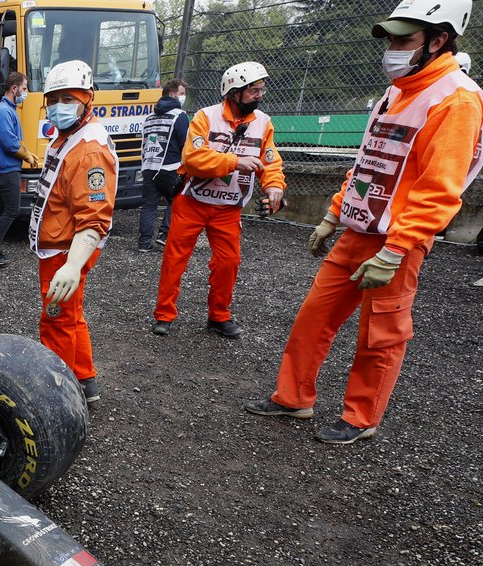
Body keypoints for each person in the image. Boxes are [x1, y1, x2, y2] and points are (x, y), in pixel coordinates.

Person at [246, 0, 482, 444]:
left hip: (398, 240)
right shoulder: (398, 91)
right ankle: (293, 397)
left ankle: (361, 417)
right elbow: (368, 163)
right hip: (358, 230)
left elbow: (440, 188)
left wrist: (396, 251)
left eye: (403, 40)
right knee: (313, 318)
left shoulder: (457, 99)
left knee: (381, 334)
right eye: (391, 38)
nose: (391, 48)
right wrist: (334, 214)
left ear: (438, 40)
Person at [151, 62, 286, 338]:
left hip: (228, 208)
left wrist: (274, 187)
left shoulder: (264, 123)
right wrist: (235, 162)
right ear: (233, 92)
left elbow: (270, 162)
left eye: (261, 90)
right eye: (253, 91)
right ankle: (164, 314)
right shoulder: (205, 117)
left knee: (229, 262)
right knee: (175, 258)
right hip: (193, 202)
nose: (259, 95)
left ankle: (218, 315)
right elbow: (193, 159)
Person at [27, 60, 116, 404]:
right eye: (54, 99)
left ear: (87, 98)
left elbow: (94, 218)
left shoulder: (87, 149)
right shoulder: (70, 137)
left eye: (68, 98)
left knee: (56, 319)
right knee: (72, 315)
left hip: (67, 250)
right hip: (61, 245)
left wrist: (72, 265)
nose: (59, 106)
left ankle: (59, 394)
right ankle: (84, 379)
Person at [0, 71, 40, 267]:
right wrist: (25, 155)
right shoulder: (3, 112)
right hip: (7, 171)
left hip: (4, 170)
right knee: (11, 211)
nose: (26, 92)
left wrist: (29, 153)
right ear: (14, 88)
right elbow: (9, 143)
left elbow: (16, 141)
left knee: (0, 211)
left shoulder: (8, 110)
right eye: (24, 88)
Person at [137, 79, 189, 252]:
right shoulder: (179, 116)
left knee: (148, 206)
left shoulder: (149, 117)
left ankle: (144, 243)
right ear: (173, 95)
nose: (184, 97)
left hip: (148, 167)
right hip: (170, 167)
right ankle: (164, 237)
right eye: (182, 94)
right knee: (177, 202)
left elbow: (144, 143)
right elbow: (186, 143)